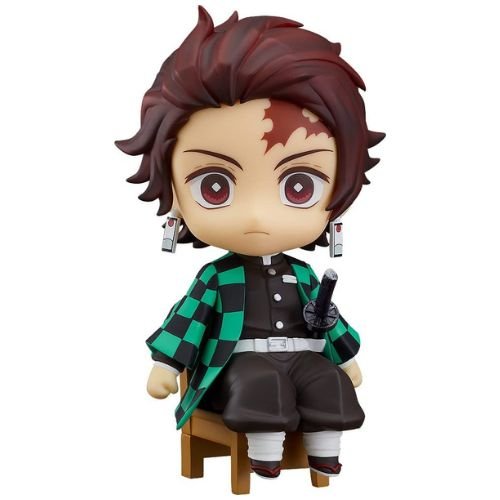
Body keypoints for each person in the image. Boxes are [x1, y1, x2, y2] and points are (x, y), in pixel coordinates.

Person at [116, 6, 384, 481]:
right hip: (239, 365)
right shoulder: (217, 278)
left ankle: (326, 452)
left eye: (298, 187)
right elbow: (188, 321)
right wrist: (166, 365)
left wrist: (346, 356)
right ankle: (264, 455)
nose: (258, 215)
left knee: (329, 382)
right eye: (214, 186)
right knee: (261, 387)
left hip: (303, 357)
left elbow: (329, 318)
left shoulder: (303, 274)